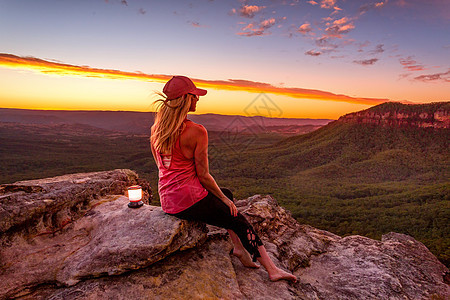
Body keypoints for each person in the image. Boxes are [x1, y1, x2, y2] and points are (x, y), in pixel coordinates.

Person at [150, 75, 297, 282]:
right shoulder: (196, 131)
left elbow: (162, 167)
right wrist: (225, 201)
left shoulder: (156, 129)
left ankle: (239, 249)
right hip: (188, 201)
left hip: (168, 200)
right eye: (194, 96)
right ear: (185, 99)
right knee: (236, 217)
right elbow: (203, 175)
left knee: (226, 193)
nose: (198, 99)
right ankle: (272, 270)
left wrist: (223, 196)